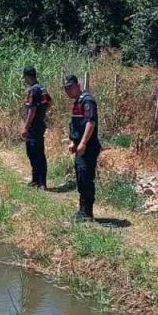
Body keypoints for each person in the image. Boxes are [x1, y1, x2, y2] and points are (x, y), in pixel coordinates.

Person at [62, 75, 101, 221]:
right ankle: (82, 211)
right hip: (79, 147)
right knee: (80, 177)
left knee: (86, 178)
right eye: (66, 89)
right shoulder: (77, 102)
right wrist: (73, 141)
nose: (68, 91)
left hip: (88, 147)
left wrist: (83, 143)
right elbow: (75, 125)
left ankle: (87, 213)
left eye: (70, 87)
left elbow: (91, 123)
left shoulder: (87, 100)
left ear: (78, 85)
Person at [21, 66, 52, 189]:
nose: (25, 80)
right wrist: (43, 113)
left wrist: (26, 127)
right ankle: (36, 180)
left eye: (25, 78)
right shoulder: (42, 88)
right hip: (40, 124)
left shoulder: (33, 90)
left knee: (35, 153)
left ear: (28, 77)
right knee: (34, 152)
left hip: (34, 126)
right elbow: (50, 102)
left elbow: (32, 110)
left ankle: (41, 182)